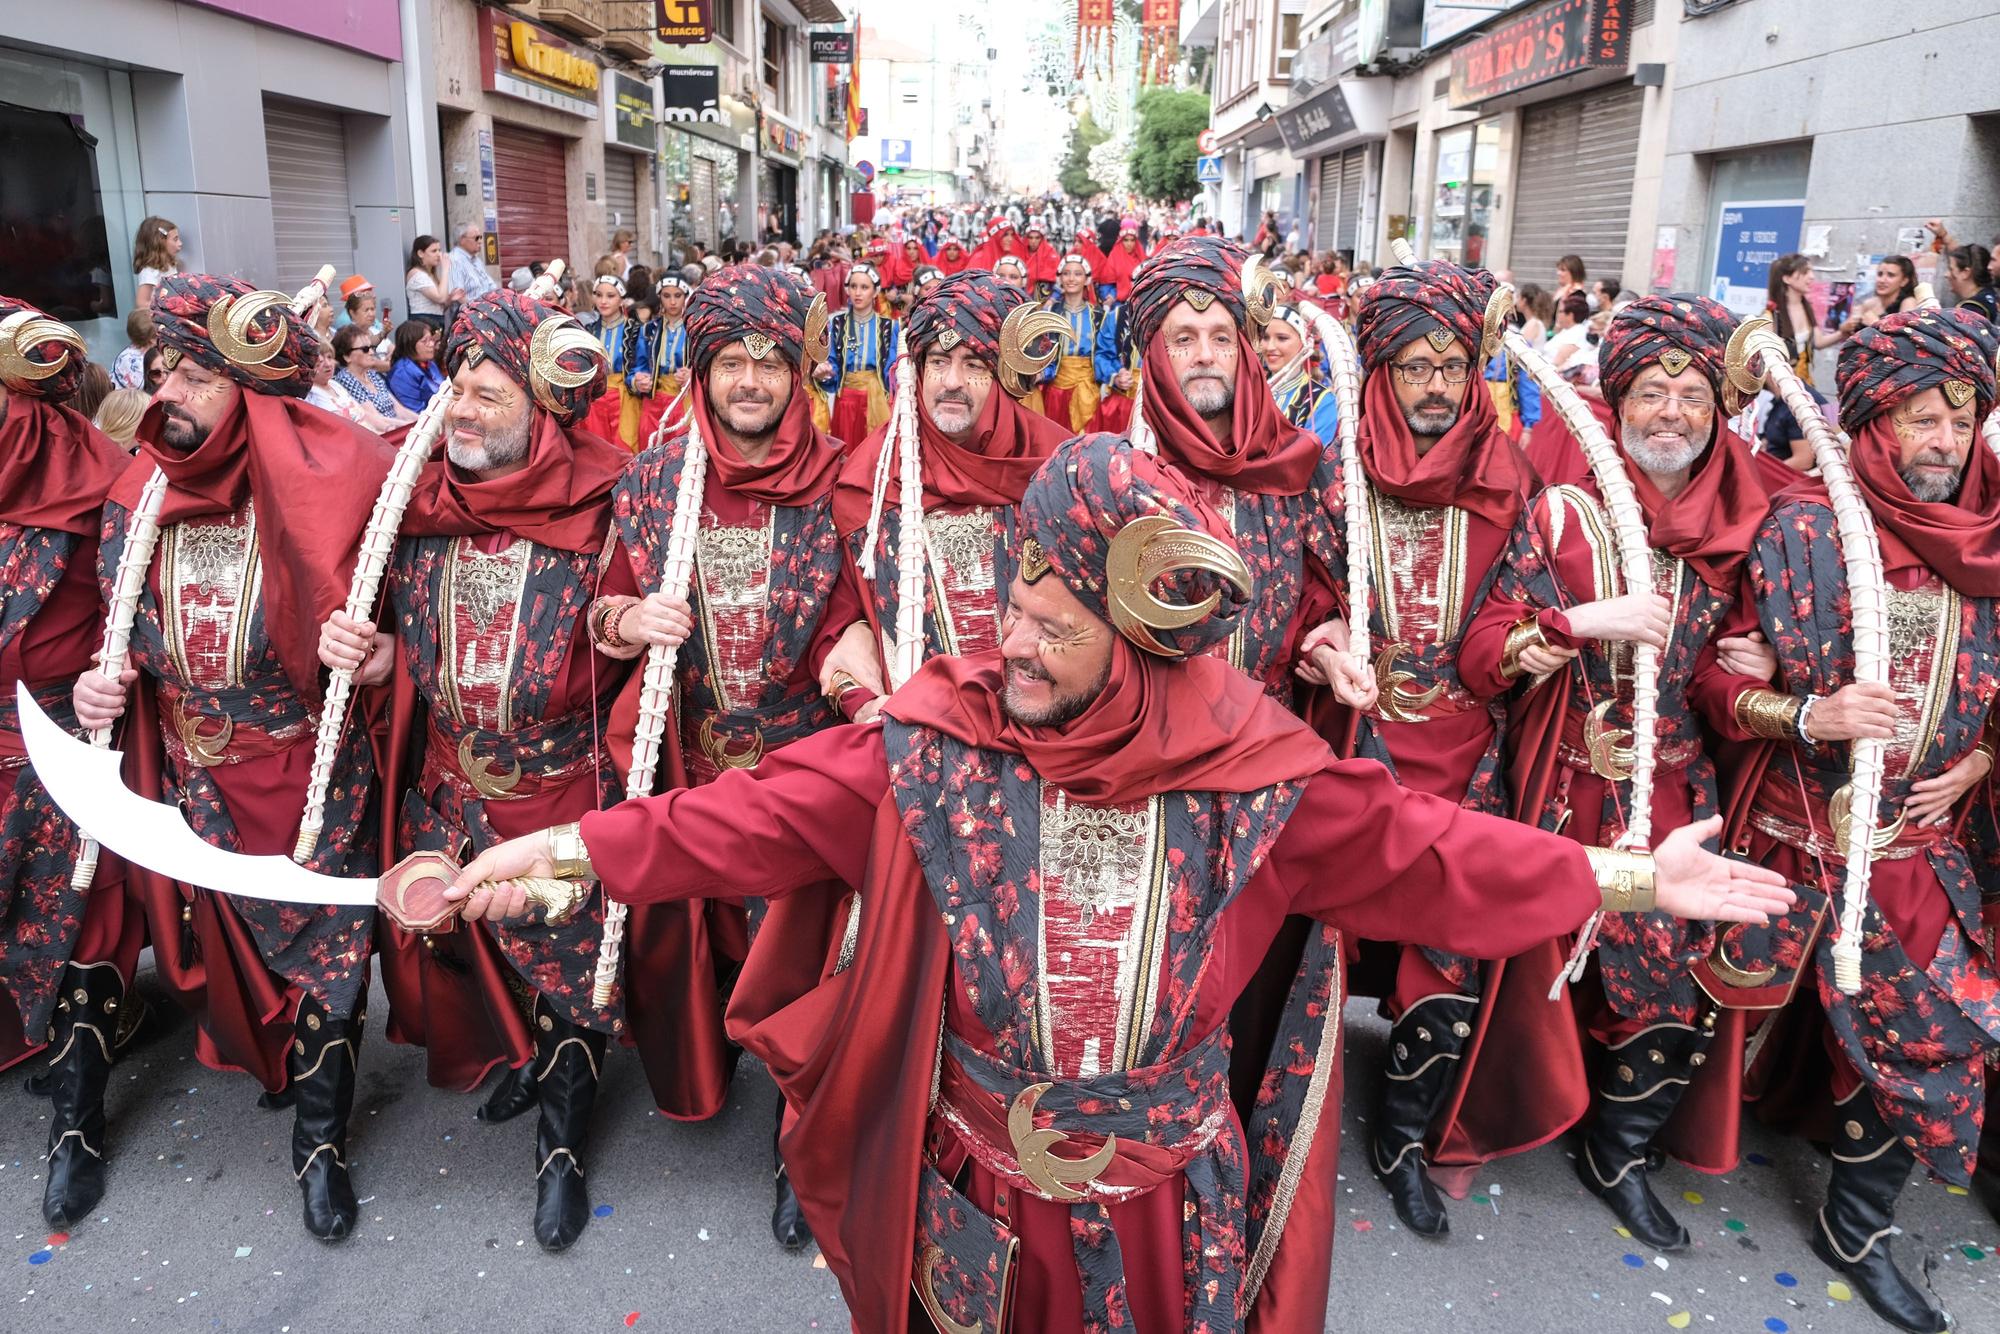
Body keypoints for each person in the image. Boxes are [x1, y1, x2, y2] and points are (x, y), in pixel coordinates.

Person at [448, 430, 1790, 1334]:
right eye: (1014, 607)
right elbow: (748, 818)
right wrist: (562, 855)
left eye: (1051, 628)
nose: (1009, 643)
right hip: (974, 1191)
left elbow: (1431, 853)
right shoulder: (939, 742)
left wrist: (1631, 878)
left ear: (1137, 649)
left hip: (1166, 1205)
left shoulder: (1254, 774)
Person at [70, 273, 397, 1240]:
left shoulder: (327, 483)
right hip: (191, 771)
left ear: (247, 390)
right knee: (237, 949)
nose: (166, 394)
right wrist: (102, 685)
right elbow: (117, 629)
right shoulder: (137, 489)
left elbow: (394, 618)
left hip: (307, 765)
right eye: (162, 372)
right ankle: (285, 1069)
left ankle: (321, 1139)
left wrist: (379, 659)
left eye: (194, 379)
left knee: (330, 948)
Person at [316, 287, 638, 1253]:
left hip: (562, 791)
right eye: (458, 388)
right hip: (452, 786)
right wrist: (381, 664)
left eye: (489, 396)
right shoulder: (413, 508)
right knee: (470, 944)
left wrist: (621, 626)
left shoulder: (608, 505)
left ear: (542, 413)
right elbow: (417, 647)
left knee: (574, 968)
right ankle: (528, 1056)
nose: (459, 410)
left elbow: (631, 633)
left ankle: (563, 1143)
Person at [1701, 308, 2000, 1334]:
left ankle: (1857, 1223)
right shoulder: (1801, 528)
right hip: (1792, 841)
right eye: (1920, 417)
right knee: (1687, 1015)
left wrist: (1977, 757)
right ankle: (1624, 1151)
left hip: (1918, 857)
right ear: (1873, 421)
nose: (1942, 442)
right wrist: (1803, 710)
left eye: (1958, 421)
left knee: (1930, 1049)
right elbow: (1712, 681)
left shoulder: (1991, 539)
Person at [1462, 295, 1778, 1252]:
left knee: (1669, 979)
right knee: (1520, 961)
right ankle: (1481, 1116)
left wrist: (1757, 677)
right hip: (1558, 783)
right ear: (1619, 404)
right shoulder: (1559, 512)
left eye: (1692, 393)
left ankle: (1620, 1149)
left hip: (1674, 792)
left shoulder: (1740, 529)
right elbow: (1483, 651)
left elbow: (1718, 683)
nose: (1672, 411)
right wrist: (1571, 627)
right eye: (1651, 392)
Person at [1309, 257, 1596, 1235]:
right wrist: (1321, 637)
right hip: (1345, 744)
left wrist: (1538, 636)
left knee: (1452, 953)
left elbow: (1505, 622)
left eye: (1451, 364)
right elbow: (1301, 589)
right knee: (1305, 942)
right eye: (1414, 365)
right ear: (1380, 369)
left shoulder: (1507, 474)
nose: (1435, 384)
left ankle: (1400, 1132)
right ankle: (1287, 1124)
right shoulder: (1332, 470)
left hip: (1465, 755)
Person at [608, 264, 868, 1249]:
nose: (750, 379)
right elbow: (599, 605)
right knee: (704, 951)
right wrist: (629, 617)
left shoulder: (844, 479)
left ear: (796, 373)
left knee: (801, 971)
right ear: (702, 371)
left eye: (769, 360)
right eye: (731, 361)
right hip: (692, 760)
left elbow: (866, 617)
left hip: (803, 767)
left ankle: (799, 1147)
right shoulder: (651, 479)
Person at [0, 298, 148, 1228]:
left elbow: (143, 608)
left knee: (82, 917)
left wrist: (114, 671)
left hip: (63, 739)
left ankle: (78, 1116)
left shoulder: (105, 477)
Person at [821, 269, 1073, 717]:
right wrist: (858, 697)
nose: (952, 381)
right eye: (938, 361)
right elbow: (840, 619)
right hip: (912, 737)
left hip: (1047, 734)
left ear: (1003, 376)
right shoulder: (873, 479)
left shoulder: (1061, 470)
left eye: (974, 364)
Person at [814, 262, 898, 445]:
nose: (858, 292)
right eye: (853, 286)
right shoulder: (836, 325)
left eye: (864, 287)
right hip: (846, 401)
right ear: (847, 289)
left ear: (875, 291)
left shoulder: (889, 327)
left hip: (877, 401)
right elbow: (832, 363)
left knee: (873, 456)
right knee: (846, 454)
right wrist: (825, 373)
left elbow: (892, 368)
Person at [1036, 253, 1115, 434]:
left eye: (1078, 274)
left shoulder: (1099, 316)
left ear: (1087, 279)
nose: (1071, 278)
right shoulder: (1049, 313)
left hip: (1087, 391)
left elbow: (1105, 354)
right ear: (1060, 278)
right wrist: (1039, 373)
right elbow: (1042, 352)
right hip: (1055, 390)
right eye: (1066, 273)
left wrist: (1112, 377)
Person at [1766, 253, 1858, 383]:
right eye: (1805, 272)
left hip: (1803, 382)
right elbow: (1764, 364)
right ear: (1787, 278)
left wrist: (1842, 332)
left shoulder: (1806, 307)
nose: (1812, 277)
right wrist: (1781, 395)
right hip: (1783, 386)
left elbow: (1818, 342)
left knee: (1825, 404)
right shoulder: (1770, 317)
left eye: (1811, 271)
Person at [624, 275, 692, 449]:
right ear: (659, 297)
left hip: (683, 400)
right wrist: (637, 380)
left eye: (677, 295)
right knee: (649, 447)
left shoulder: (694, 330)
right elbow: (637, 366)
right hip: (653, 400)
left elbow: (706, 367)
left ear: (685, 296)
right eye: (666, 296)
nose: (672, 302)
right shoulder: (648, 330)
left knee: (680, 450)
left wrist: (693, 376)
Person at [1260, 301, 1340, 443]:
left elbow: (1310, 459)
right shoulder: (1251, 388)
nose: (1270, 346)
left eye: (1282, 338)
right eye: (1265, 338)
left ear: (1304, 343)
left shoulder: (1322, 401)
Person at [305, 335, 400, 433]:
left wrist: (390, 428)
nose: (328, 364)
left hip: (373, 435)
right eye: (319, 362)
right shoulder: (310, 395)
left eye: (329, 357)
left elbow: (364, 415)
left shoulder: (335, 385)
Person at [580, 275, 630, 445]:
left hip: (626, 401)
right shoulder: (587, 331)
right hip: (595, 402)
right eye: (599, 295)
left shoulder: (635, 331)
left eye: (610, 296)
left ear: (621, 300)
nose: (603, 301)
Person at [331, 324, 413, 423]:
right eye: (365, 349)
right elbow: (376, 419)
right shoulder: (346, 379)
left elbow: (399, 409)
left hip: (397, 426)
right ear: (346, 356)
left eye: (371, 348)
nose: (371, 352)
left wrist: (422, 421)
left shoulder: (371, 374)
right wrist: (409, 427)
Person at [386, 319, 446, 411]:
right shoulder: (402, 373)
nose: (431, 344)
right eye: (424, 341)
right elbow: (414, 410)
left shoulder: (429, 363)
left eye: (431, 339)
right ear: (410, 344)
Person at [404, 235, 460, 333]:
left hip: (437, 320)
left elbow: (440, 304)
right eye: (434, 251)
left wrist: (450, 299)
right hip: (422, 323)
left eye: (439, 250)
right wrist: (445, 270)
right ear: (421, 253)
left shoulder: (431, 275)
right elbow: (440, 298)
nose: (439, 254)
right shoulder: (417, 274)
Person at [131, 216, 181, 309]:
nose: (180, 243)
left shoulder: (169, 264)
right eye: (175, 239)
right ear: (159, 242)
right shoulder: (150, 271)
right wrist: (167, 307)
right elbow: (141, 303)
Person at [1858, 255, 1920, 326]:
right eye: (1880, 274)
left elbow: (1905, 334)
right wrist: (1845, 330)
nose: (1882, 280)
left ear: (1904, 281)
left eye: (1891, 275)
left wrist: (1876, 323)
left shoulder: (1908, 302)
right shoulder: (1870, 303)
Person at [1094, 217, 1146, 302]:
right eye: (1126, 240)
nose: (1129, 244)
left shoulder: (1142, 258)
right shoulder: (1114, 257)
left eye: (1132, 240)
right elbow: (1106, 283)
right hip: (1117, 303)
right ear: (1121, 241)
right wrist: (1112, 295)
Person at [449, 222, 501, 304]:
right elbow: (458, 295)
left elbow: (491, 285)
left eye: (480, 237)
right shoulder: (454, 260)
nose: (480, 241)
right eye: (476, 238)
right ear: (462, 240)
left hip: (488, 309)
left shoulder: (477, 260)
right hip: (471, 313)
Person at [1947, 243, 1999, 319]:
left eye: (1951, 269)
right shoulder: (1989, 295)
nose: (1946, 275)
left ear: (1965, 273)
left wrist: (1928, 300)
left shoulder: (1972, 308)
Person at [112, 308, 154, 390]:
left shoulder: (128, 353)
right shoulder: (132, 360)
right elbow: (147, 389)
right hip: (131, 400)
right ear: (152, 339)